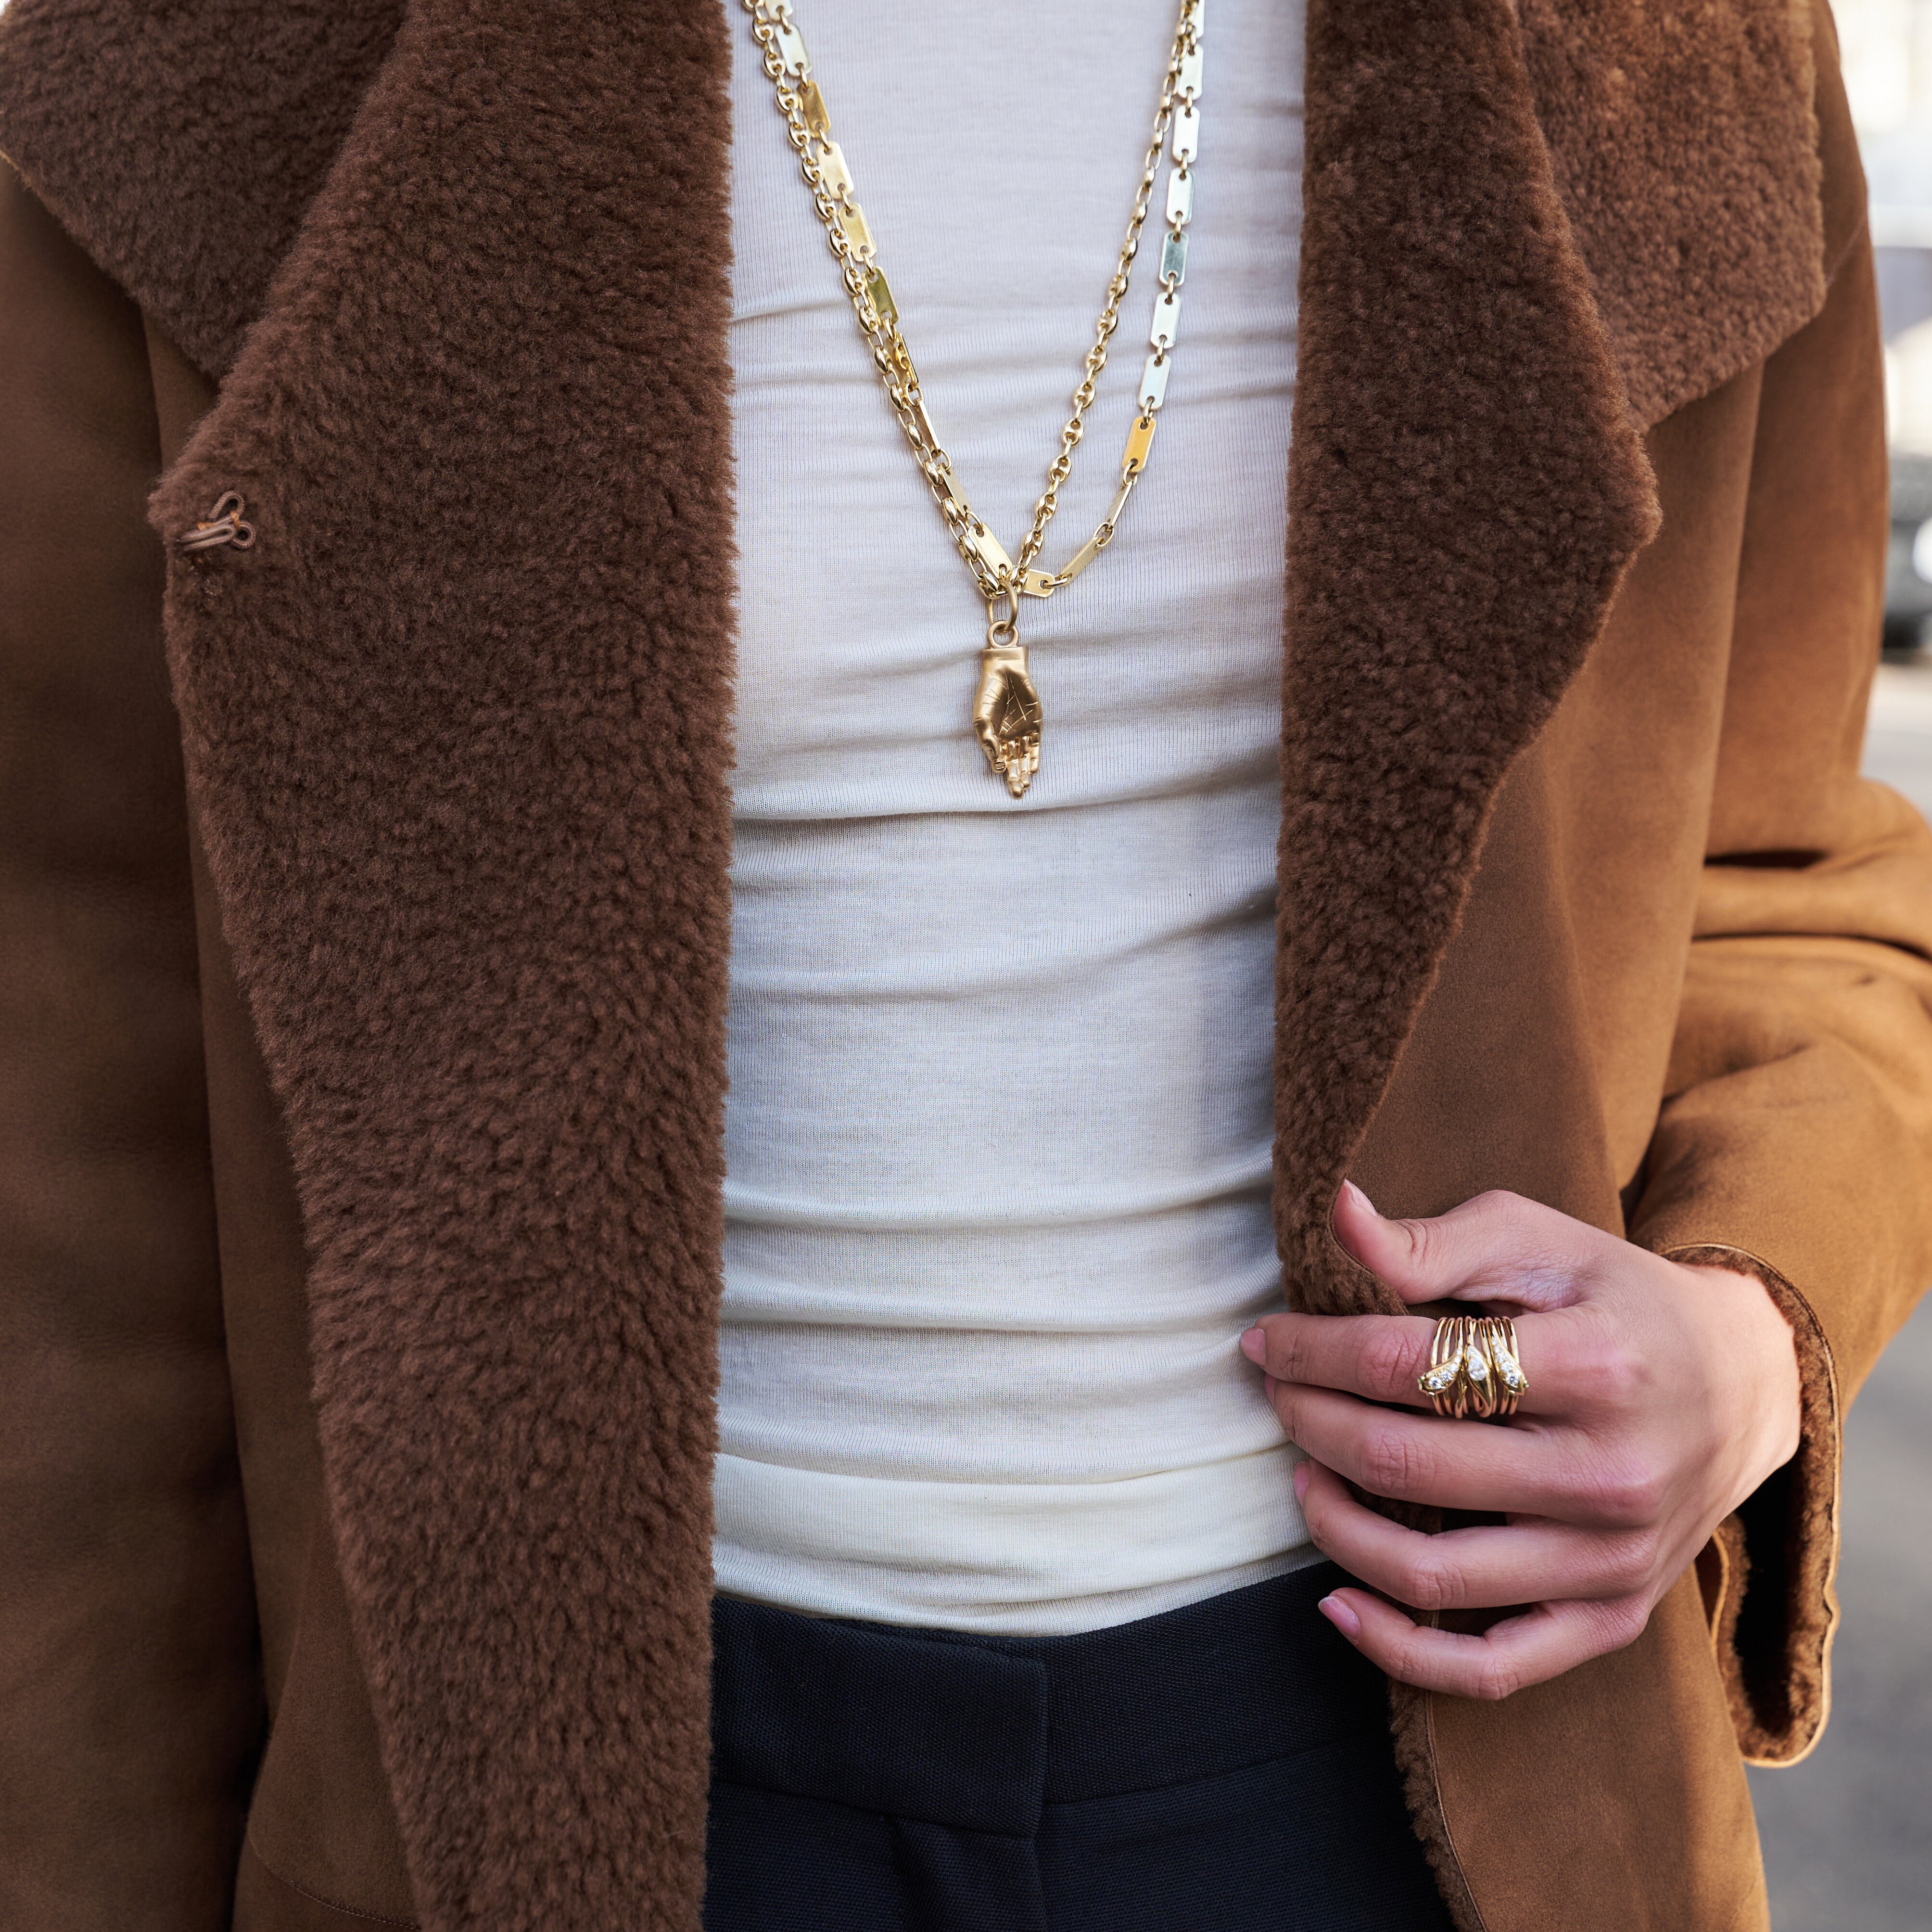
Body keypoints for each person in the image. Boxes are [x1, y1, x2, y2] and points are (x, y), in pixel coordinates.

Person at [2, 0, 1928, 1925]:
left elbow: (1790, 868)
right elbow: (84, 1182)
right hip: (561, 1802)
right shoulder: (217, 54)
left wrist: (1748, 1326)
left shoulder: (1652, 51)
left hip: (1432, 1776)